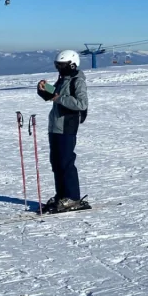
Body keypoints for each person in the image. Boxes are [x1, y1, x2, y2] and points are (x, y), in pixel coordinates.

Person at [36, 50, 90, 213]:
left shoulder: (77, 81)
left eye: (61, 65)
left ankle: (73, 197)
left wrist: (57, 97)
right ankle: (62, 196)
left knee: (66, 162)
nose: (59, 68)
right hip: (55, 126)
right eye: (57, 65)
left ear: (71, 64)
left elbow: (81, 104)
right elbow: (55, 95)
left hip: (67, 126)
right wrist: (44, 89)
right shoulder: (63, 79)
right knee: (57, 163)